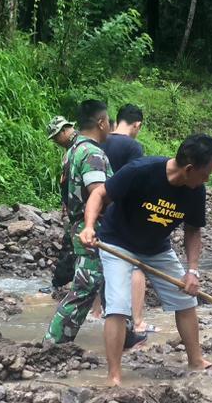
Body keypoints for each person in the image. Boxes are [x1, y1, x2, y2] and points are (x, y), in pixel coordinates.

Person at [80, 135, 212, 386]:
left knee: (185, 299)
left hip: (156, 248)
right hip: (117, 242)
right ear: (189, 169)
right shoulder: (141, 171)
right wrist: (89, 227)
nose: (207, 180)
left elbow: (193, 230)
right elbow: (99, 195)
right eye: (206, 173)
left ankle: (196, 361)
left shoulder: (195, 191)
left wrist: (193, 271)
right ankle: (114, 376)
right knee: (118, 305)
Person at [45, 100, 142, 347]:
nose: (111, 125)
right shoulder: (93, 153)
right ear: (101, 122)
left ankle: (126, 336)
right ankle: (53, 342)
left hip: (83, 225)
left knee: (112, 281)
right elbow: (98, 192)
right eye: (108, 121)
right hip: (95, 228)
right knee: (86, 286)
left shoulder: (73, 151)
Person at [102, 104, 149, 330]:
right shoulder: (133, 147)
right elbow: (135, 183)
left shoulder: (99, 141)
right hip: (120, 213)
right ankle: (137, 321)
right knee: (135, 265)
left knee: (101, 264)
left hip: (95, 210)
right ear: (137, 124)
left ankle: (96, 312)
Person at [47, 116, 78, 290]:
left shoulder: (80, 148)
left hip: (80, 209)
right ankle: (63, 283)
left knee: (71, 245)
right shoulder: (72, 149)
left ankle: (61, 284)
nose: (56, 141)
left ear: (65, 130)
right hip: (73, 206)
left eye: (56, 136)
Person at [103, 104, 145, 172]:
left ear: (116, 122)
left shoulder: (100, 139)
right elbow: (134, 177)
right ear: (137, 125)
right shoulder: (134, 147)